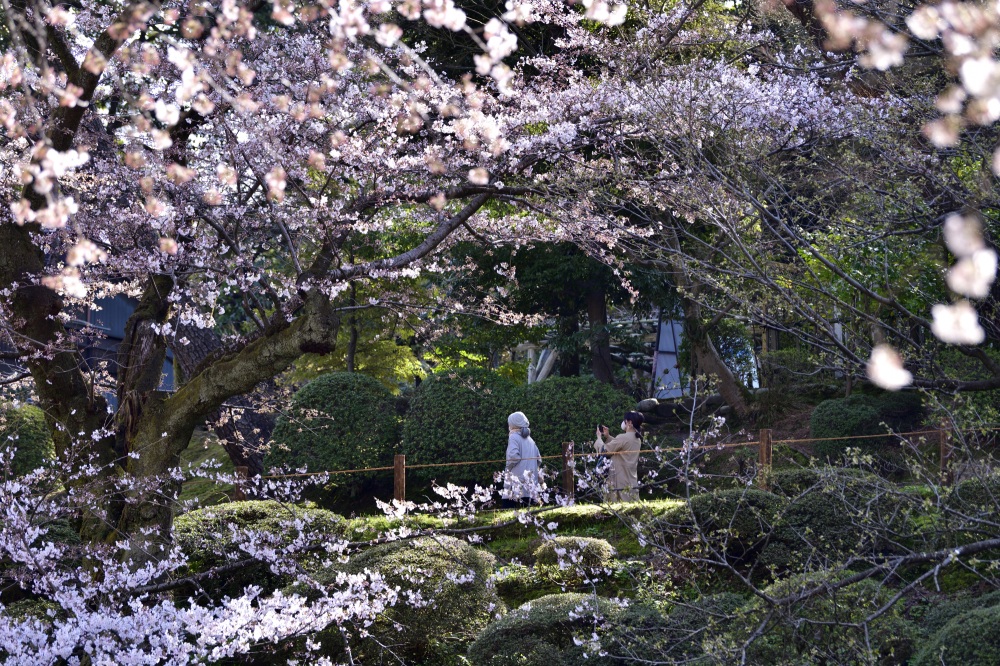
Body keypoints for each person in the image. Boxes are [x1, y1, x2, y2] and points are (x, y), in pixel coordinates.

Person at [594, 411, 643, 502]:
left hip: (619, 479)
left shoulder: (623, 437)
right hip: (630, 479)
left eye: (625, 420)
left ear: (630, 422)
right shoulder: (637, 438)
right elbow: (621, 446)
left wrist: (599, 438)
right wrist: (608, 437)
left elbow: (604, 451)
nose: (623, 422)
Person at [503, 411, 541, 509]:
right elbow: (539, 460)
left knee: (508, 510)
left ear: (513, 424)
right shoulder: (531, 440)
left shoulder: (513, 437)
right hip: (530, 481)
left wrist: (507, 469)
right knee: (529, 512)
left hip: (516, 479)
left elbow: (513, 457)